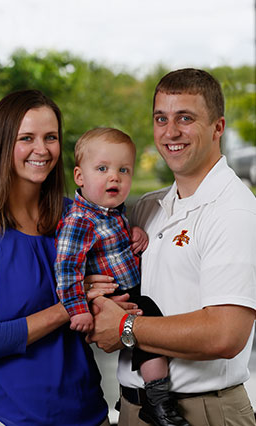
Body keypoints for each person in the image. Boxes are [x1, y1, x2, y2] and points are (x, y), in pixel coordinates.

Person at [87, 68, 256, 426]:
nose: (171, 131)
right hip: (133, 408)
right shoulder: (147, 208)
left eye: (186, 118)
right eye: (161, 118)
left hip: (203, 411)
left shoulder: (234, 210)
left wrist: (126, 327)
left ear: (218, 127)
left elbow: (226, 334)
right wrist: (94, 290)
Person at [0, 89, 119, 426]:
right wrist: (69, 305)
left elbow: (119, 283)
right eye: (26, 138)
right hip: (12, 416)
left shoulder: (77, 218)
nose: (41, 150)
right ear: (3, 144)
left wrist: (133, 235)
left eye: (51, 137)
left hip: (88, 412)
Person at [55, 127, 189, 426]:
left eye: (123, 170)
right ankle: (158, 400)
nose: (114, 176)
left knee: (146, 335)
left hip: (129, 288)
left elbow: (116, 240)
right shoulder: (79, 220)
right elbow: (66, 269)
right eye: (102, 169)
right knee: (150, 329)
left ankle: (134, 394)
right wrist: (77, 310)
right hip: (114, 297)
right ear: (79, 176)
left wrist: (135, 232)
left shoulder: (112, 213)